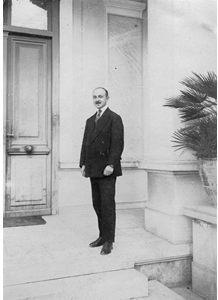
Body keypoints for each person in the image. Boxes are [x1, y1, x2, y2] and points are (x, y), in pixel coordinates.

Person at [79, 87, 124, 255]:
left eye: (100, 96)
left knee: (107, 205)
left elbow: (118, 144)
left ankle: (109, 241)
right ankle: (102, 236)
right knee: (97, 204)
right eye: (95, 97)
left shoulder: (114, 118)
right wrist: (83, 164)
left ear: (107, 98)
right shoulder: (90, 120)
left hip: (107, 169)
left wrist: (111, 164)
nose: (97, 99)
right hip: (93, 168)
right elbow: (85, 144)